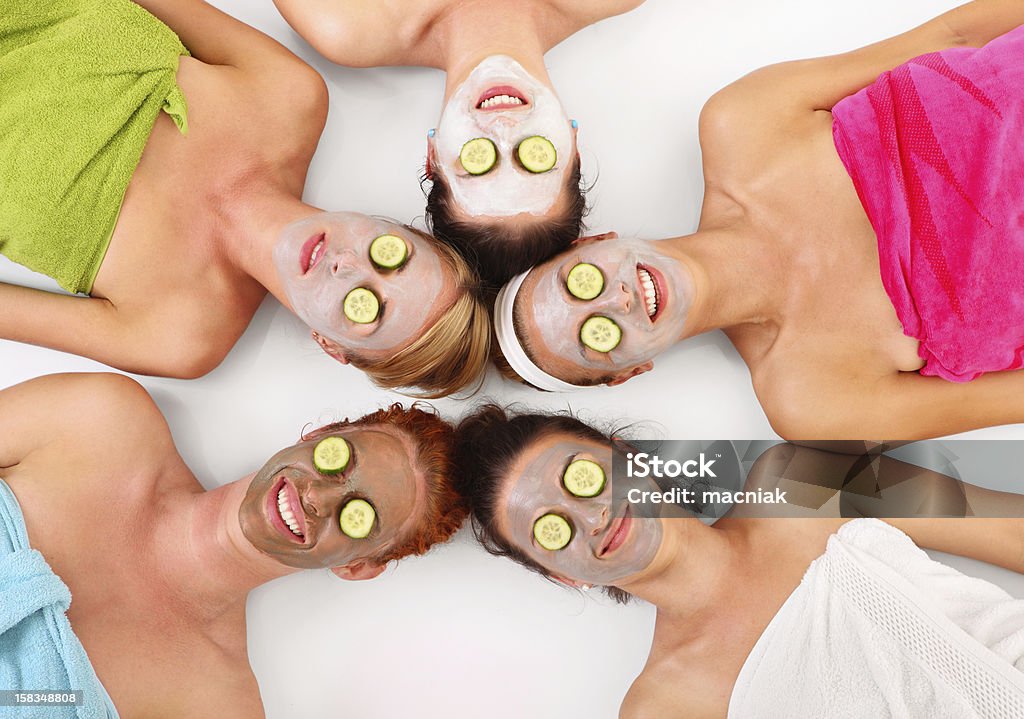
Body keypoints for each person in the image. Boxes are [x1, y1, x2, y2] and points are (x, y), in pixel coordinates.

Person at [492, 0, 1024, 437]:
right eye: (598, 334)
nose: (616, 299)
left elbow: (955, 34)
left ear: (593, 243)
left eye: (579, 284)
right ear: (626, 372)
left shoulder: (743, 124)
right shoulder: (812, 398)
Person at [0, 0, 489, 397]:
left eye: (367, 307)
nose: (349, 268)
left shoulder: (181, 337)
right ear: (397, 229)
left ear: (331, 346)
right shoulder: (292, 97)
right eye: (393, 257)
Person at [453, 405, 1024, 718]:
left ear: (624, 454)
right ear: (562, 574)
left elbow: (1006, 527)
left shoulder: (794, 479)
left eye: (580, 477)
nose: (592, 517)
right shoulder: (662, 706)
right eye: (551, 530)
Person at [0, 372, 466, 717]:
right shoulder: (99, 421)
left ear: (358, 567)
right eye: (338, 461)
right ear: (318, 436)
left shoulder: (215, 703)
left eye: (357, 515)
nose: (317, 497)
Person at [272, 0, 646, 286]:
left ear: (433, 156)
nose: (502, 129)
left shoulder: (345, 22)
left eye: (478, 161)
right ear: (573, 143)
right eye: (533, 157)